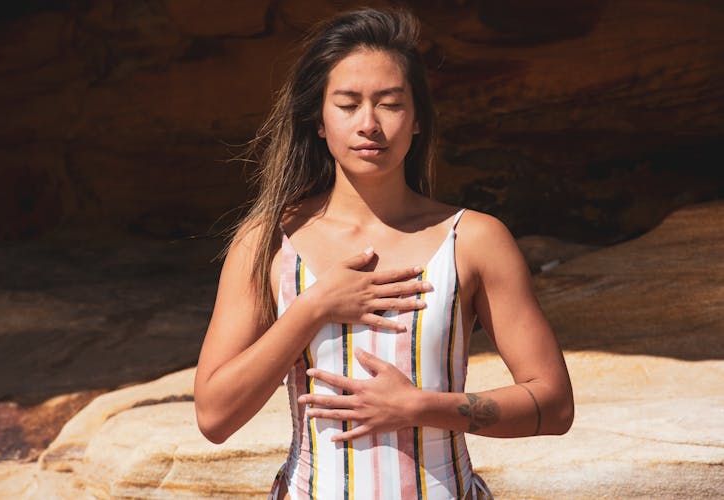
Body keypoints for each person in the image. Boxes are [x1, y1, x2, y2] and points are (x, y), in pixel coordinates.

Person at [193, 7, 573, 499]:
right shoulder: (267, 242)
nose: (369, 124)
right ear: (319, 121)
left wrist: (419, 408)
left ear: (416, 120)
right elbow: (214, 416)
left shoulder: (474, 239)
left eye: (390, 104)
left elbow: (555, 405)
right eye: (348, 104)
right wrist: (314, 307)